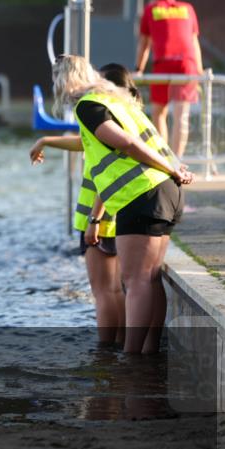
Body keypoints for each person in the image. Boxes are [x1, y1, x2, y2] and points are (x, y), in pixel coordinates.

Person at [52, 55, 192, 354]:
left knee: (136, 281)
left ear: (65, 82)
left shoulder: (88, 105)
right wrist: (173, 169)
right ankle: (149, 351)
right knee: (151, 279)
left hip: (141, 194)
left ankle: (131, 358)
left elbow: (125, 144)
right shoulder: (120, 102)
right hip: (166, 192)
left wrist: (171, 169)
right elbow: (143, 140)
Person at [30, 63, 140, 345]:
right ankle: (119, 348)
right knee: (115, 289)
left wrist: (94, 219)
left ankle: (105, 354)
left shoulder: (94, 108)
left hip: (98, 213)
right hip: (118, 210)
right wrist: (46, 141)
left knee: (104, 291)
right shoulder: (124, 113)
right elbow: (84, 143)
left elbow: (107, 167)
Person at [135, 0, 204, 158]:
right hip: (187, 64)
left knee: (159, 112)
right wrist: (200, 69)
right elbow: (194, 41)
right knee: (182, 116)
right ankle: (177, 160)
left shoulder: (151, 9)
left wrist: (138, 69)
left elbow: (144, 44)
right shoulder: (187, 8)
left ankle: (163, 157)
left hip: (163, 64)